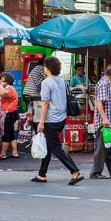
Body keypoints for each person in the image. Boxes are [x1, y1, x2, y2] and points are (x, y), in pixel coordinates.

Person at [31, 56, 84, 185]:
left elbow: (45, 104)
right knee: (49, 146)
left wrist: (41, 122)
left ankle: (74, 171)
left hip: (50, 119)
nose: (43, 68)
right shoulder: (62, 81)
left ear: (47, 68)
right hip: (61, 117)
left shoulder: (46, 83)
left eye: (44, 66)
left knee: (55, 146)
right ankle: (41, 174)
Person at [0, 72, 20, 160]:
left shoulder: (9, 89)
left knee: (5, 133)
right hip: (11, 113)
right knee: (11, 133)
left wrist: (0, 85)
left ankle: (3, 154)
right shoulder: (9, 88)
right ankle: (15, 152)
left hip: (9, 114)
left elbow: (2, 94)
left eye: (2, 79)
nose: (0, 80)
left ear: (6, 81)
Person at [22, 56, 45, 129]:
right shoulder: (41, 68)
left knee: (31, 114)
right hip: (30, 94)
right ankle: (30, 131)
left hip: (27, 93)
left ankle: (30, 130)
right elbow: (48, 78)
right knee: (32, 116)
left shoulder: (36, 68)